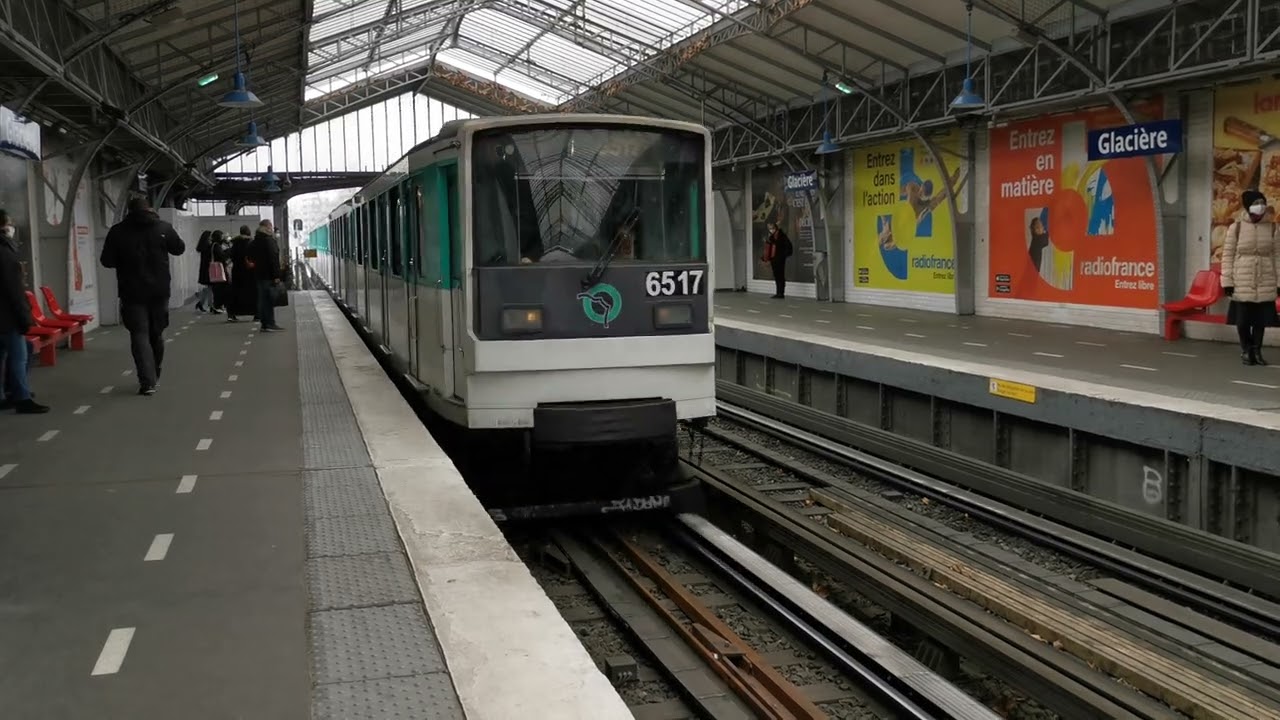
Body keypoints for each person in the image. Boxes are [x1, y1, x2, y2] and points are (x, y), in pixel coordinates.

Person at [100, 197, 185, 395]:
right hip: (160, 291)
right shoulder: (163, 227)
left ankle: (147, 381)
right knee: (157, 333)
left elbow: (107, 261)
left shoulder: (118, 231)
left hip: (131, 292)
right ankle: (155, 370)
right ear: (149, 209)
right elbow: (179, 249)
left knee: (139, 334)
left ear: (128, 211)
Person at [1221, 188, 1280, 366]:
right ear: (1247, 206)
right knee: (1243, 320)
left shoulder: (1273, 228)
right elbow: (1227, 255)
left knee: (1260, 320)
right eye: (1255, 203)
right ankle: (1246, 350)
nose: (1260, 207)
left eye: (1262, 203)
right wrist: (1227, 281)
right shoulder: (1236, 228)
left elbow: (1278, 256)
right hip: (1242, 279)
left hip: (1265, 278)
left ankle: (1257, 351)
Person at [0, 210, 49, 413]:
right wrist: (24, 317)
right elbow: (14, 289)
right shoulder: (5, 251)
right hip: (7, 316)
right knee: (20, 355)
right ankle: (22, 397)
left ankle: (4, 395)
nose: (12, 226)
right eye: (9, 222)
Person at [249, 219, 284, 332]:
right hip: (269, 275)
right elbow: (273, 259)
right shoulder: (269, 240)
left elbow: (250, 256)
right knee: (269, 299)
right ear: (268, 227)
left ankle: (264, 324)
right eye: (271, 227)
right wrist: (277, 275)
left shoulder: (255, 240)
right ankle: (270, 323)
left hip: (259, 274)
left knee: (263, 299)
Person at [227, 225, 256, 323]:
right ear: (249, 232)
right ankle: (255, 313)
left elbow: (230, 256)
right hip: (249, 271)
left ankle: (232, 314)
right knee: (251, 293)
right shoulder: (251, 243)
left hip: (237, 271)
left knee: (235, 292)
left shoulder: (234, 243)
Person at [761, 221, 793, 299]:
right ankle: (778, 292)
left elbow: (779, 244)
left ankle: (781, 292)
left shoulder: (781, 235)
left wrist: (784, 255)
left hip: (779, 258)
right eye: (769, 228)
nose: (770, 230)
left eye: (771, 228)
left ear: (775, 227)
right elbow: (768, 248)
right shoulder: (771, 236)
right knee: (776, 275)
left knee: (780, 275)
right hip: (774, 258)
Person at [194, 230, 215, 312]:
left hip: (204, 268)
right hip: (209, 268)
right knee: (210, 287)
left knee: (209, 287)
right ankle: (210, 305)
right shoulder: (208, 246)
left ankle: (201, 303)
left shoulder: (203, 246)